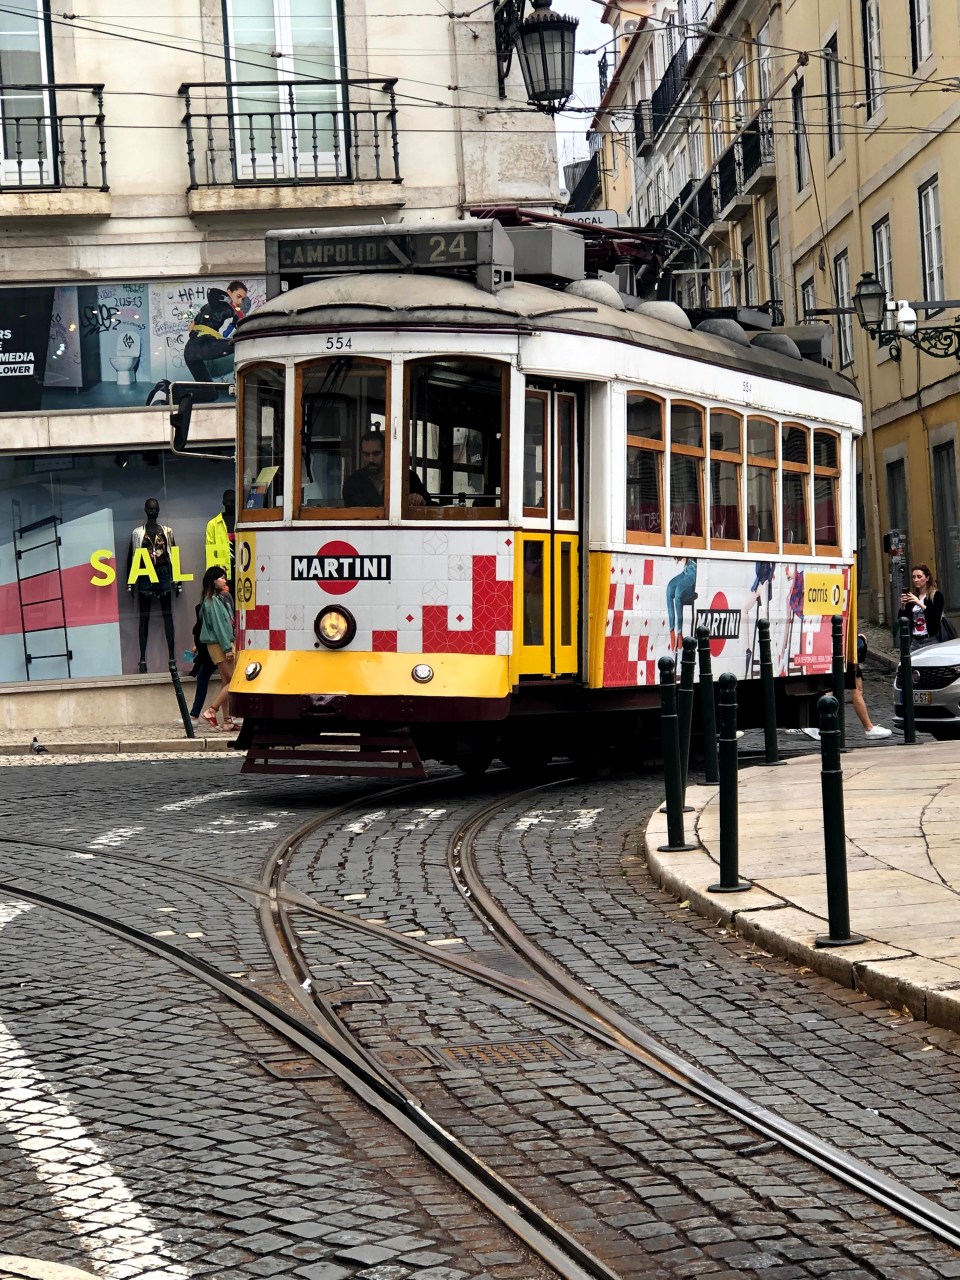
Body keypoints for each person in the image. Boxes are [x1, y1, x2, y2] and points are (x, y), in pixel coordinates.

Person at [127, 498, 179, 673]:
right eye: (150, 509)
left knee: (167, 615)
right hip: (144, 573)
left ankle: (172, 657)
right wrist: (130, 582)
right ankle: (142, 659)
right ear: (145, 510)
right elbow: (131, 557)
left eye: (155, 509)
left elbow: (174, 554)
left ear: (159, 510)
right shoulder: (137, 533)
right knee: (144, 617)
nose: (153, 512)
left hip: (163, 572)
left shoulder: (167, 531)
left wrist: (177, 581)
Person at [342, 429, 432, 508]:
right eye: (366, 454)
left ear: (386, 453)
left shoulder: (407, 477)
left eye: (376, 454)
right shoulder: (353, 482)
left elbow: (430, 506)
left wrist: (420, 501)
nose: (371, 459)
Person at [183, 281, 249, 383]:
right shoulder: (223, 304)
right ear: (229, 292)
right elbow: (213, 293)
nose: (240, 301)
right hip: (201, 344)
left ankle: (181, 396)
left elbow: (191, 327)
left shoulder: (208, 306)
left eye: (242, 299)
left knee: (209, 392)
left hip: (191, 351)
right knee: (242, 343)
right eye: (238, 296)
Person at [198, 565, 238, 731]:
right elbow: (221, 627)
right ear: (213, 581)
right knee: (235, 681)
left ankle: (227, 721)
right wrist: (227, 647)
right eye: (221, 577)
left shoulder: (216, 599)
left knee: (226, 682)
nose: (224, 580)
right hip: (221, 644)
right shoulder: (212, 601)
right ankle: (211, 711)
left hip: (219, 643)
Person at [898, 563, 944, 650]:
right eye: (914, 577)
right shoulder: (913, 596)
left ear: (927, 578)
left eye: (919, 577)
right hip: (915, 641)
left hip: (931, 640)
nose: (916, 580)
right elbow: (902, 620)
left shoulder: (936, 595)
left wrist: (919, 603)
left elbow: (935, 618)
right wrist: (903, 606)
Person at [205, 489, 236, 588]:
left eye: (233, 501)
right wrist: (212, 577)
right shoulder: (213, 524)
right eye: (228, 501)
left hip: (242, 570)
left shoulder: (243, 523)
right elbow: (210, 553)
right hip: (222, 574)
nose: (230, 504)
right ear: (223, 502)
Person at [665, 557, 697, 652]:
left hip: (692, 571)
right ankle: (672, 631)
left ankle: (679, 634)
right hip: (685, 570)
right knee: (670, 588)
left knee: (678, 592)